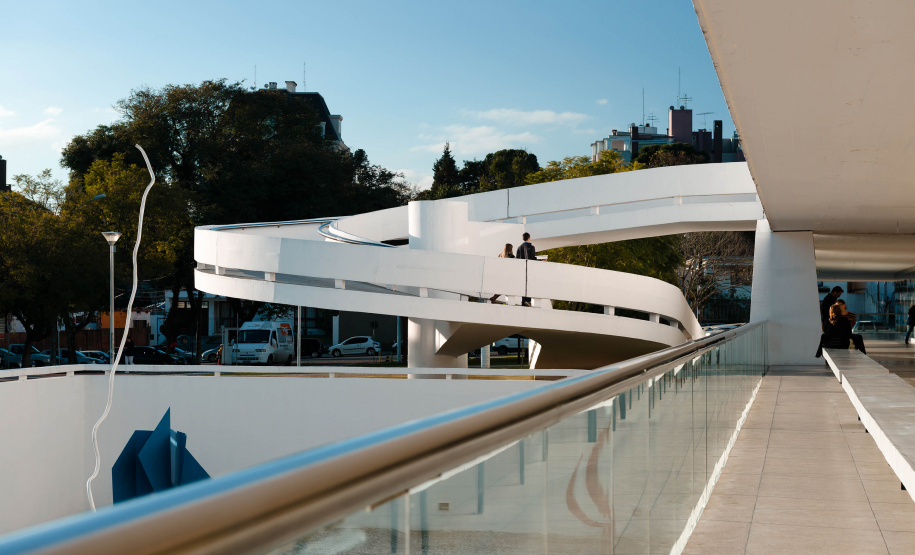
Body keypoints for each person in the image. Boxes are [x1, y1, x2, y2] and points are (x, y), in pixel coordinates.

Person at [515, 232, 537, 307]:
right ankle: (527, 300)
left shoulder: (519, 247)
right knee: (529, 284)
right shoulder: (531, 247)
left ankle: (524, 300)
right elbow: (532, 259)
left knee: (523, 284)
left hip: (521, 269)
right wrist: (540, 260)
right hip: (529, 269)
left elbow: (517, 259)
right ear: (529, 238)